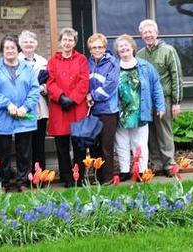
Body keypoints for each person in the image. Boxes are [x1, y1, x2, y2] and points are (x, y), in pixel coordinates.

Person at [0, 35, 39, 192]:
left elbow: (34, 89)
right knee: (4, 154)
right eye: (6, 48)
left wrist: (26, 107)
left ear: (18, 50)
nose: (10, 51)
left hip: (24, 117)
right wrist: (7, 104)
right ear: (2, 51)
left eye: (12, 48)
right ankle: (3, 183)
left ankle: (22, 182)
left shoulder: (27, 68)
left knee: (24, 153)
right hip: (4, 117)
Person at [113, 34, 165, 181]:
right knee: (122, 143)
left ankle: (141, 171)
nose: (123, 48)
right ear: (117, 50)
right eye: (120, 46)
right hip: (120, 112)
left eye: (126, 45)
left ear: (132, 48)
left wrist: (160, 106)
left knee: (140, 143)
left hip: (140, 111)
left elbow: (156, 87)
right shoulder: (114, 68)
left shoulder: (145, 66)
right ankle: (124, 171)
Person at [137, 19, 183, 177]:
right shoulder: (139, 55)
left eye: (150, 32)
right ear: (141, 35)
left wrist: (176, 102)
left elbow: (176, 77)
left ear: (156, 33)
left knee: (164, 132)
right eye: (145, 33)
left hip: (165, 99)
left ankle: (169, 164)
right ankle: (156, 164)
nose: (148, 35)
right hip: (146, 102)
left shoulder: (168, 50)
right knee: (150, 133)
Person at [47, 27, 89, 187]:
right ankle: (67, 177)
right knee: (62, 146)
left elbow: (84, 81)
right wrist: (61, 97)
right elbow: (50, 82)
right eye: (64, 39)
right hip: (59, 108)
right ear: (60, 42)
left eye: (70, 40)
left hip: (77, 107)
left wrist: (72, 99)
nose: (67, 42)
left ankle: (80, 177)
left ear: (74, 42)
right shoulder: (53, 61)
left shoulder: (81, 59)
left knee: (79, 145)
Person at [86, 33, 120, 184]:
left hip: (108, 111)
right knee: (93, 146)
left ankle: (107, 178)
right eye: (94, 47)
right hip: (92, 111)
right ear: (90, 49)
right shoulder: (87, 63)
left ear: (105, 48)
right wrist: (86, 95)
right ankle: (96, 177)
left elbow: (110, 87)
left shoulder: (113, 63)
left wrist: (92, 96)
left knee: (106, 146)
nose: (97, 50)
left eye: (100, 47)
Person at [18, 30, 49, 171]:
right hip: (23, 110)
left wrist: (43, 87)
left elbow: (50, 83)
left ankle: (40, 176)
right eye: (25, 42)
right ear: (20, 44)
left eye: (31, 41)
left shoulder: (43, 62)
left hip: (40, 109)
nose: (28, 44)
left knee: (39, 143)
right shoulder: (15, 62)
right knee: (24, 144)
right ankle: (24, 177)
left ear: (36, 44)